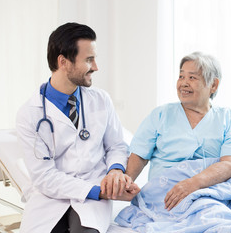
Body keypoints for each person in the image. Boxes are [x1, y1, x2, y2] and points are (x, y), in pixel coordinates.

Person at [16, 22, 140, 233]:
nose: (96, 67)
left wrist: (115, 172)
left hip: (94, 191)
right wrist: (99, 191)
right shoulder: (30, 114)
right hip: (51, 196)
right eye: (89, 60)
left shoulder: (101, 100)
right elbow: (44, 177)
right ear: (63, 62)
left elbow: (116, 146)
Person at [125, 51, 231, 211]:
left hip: (214, 188)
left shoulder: (226, 118)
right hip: (168, 193)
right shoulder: (160, 115)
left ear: (213, 85)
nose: (184, 83)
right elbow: (139, 155)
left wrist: (193, 183)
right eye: (181, 76)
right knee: (208, 211)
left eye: (192, 77)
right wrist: (125, 183)